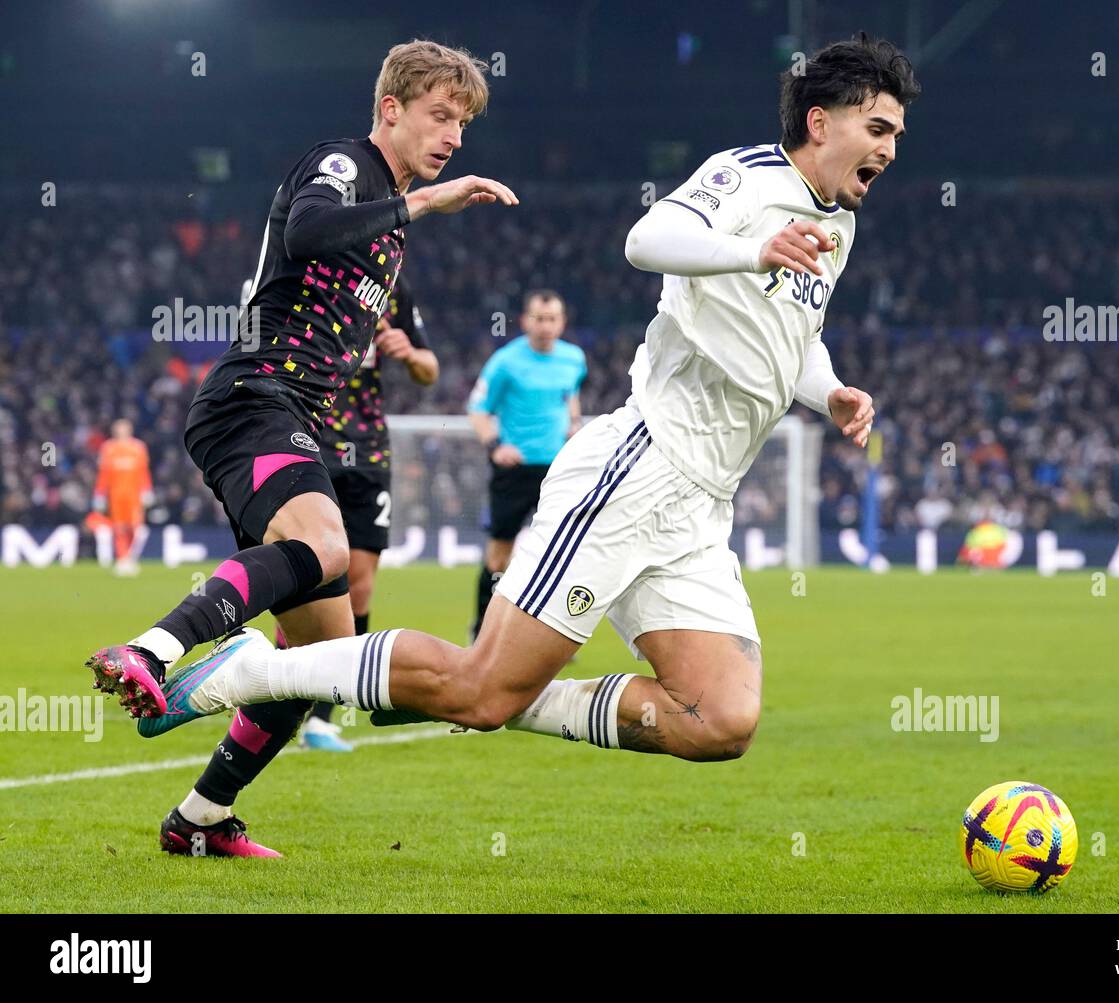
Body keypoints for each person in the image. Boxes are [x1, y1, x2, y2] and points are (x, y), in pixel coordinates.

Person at [115, 33, 912, 783]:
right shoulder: (748, 178)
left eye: (898, 135)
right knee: (471, 682)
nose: (889, 148)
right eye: (877, 126)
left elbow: (793, 334)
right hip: (644, 464)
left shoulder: (836, 224)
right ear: (820, 120)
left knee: (719, 717)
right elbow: (649, 237)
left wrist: (827, 389)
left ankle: (448, 692)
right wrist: (752, 247)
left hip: (705, 502)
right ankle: (257, 667)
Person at [87, 39, 517, 857]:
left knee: (314, 660)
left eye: (462, 122)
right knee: (324, 547)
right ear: (391, 109)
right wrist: (426, 204)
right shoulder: (344, 166)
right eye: (440, 115)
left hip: (293, 414)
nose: (454, 136)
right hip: (252, 396)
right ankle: (151, 650)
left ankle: (200, 819)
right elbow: (314, 228)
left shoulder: (388, 231)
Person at [300, 272, 439, 752]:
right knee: (304, 576)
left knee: (358, 583)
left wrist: (410, 353)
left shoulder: (394, 288)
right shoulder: (305, 277)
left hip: (369, 453)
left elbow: (429, 370)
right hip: (307, 442)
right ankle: (271, 685)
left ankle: (321, 715)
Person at [467, 290, 585, 641]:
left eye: (552, 319)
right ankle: (482, 633)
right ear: (525, 321)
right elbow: (477, 408)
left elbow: (570, 396)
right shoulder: (505, 361)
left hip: (558, 470)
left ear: (561, 322)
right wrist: (494, 445)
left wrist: (573, 423)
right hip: (514, 471)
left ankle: (551, 639)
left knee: (560, 553)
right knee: (499, 555)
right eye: (539, 318)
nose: (546, 326)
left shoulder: (574, 359)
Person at [92, 419, 153, 576]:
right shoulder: (108, 448)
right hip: (116, 495)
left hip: (134, 495)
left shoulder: (138, 448)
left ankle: (129, 557)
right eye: (119, 429)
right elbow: (103, 474)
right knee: (119, 528)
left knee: (134, 527)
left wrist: (147, 490)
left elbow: (143, 471)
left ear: (130, 430)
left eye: (124, 428)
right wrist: (99, 494)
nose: (122, 431)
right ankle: (122, 559)